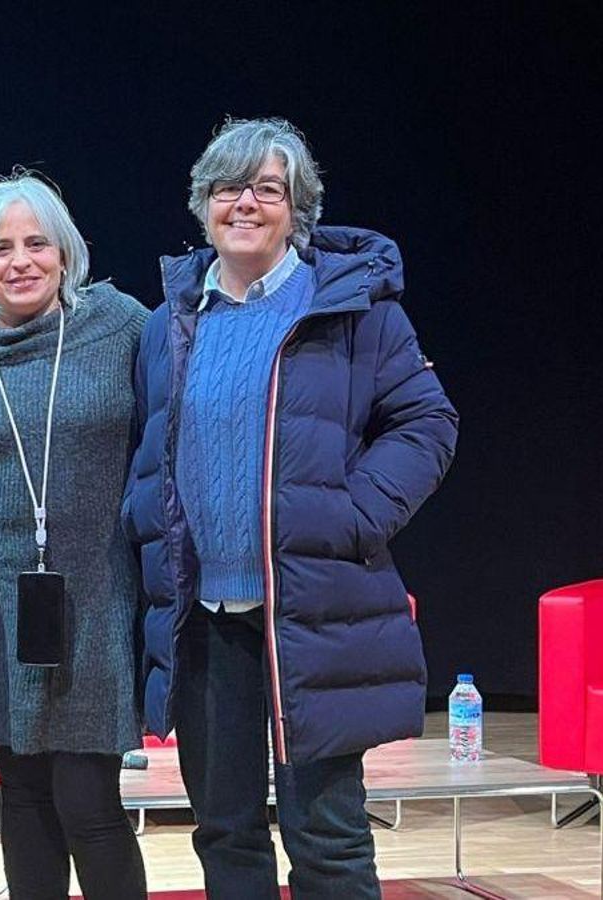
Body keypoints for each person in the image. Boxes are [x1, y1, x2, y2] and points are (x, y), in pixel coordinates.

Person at [124, 117, 458, 898]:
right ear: (203, 204)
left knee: (327, 837)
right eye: (228, 187)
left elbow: (428, 421)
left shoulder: (352, 309)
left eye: (267, 188)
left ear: (296, 207)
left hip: (308, 614)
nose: (245, 203)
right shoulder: (170, 324)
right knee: (224, 832)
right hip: (205, 624)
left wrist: (356, 515)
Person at [0, 171, 148, 899]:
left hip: (94, 595)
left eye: (37, 243)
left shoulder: (120, 326)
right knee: (22, 797)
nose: (19, 260)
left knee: (89, 803)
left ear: (66, 252)